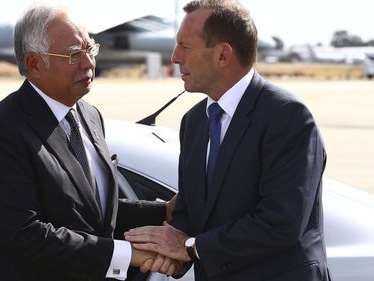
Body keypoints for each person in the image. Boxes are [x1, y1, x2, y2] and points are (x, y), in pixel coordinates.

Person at [125, 0, 331, 280]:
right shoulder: (194, 122)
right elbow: (189, 212)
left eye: (185, 46)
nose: (174, 57)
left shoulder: (286, 116)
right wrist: (168, 248)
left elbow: (281, 223)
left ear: (223, 55)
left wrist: (189, 248)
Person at [0, 4, 176, 281]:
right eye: (74, 54)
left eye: (90, 49)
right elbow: (26, 234)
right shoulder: (1, 131)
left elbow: (91, 211)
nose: (89, 63)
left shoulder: (89, 115)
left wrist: (164, 211)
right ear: (34, 64)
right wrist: (127, 255)